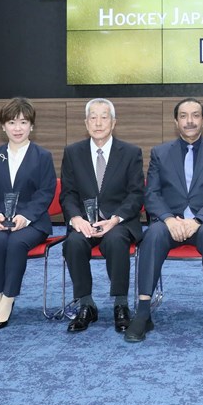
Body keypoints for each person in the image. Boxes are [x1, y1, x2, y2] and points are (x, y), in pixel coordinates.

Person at [125, 98, 203, 342]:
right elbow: (152, 194)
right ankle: (143, 312)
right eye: (183, 116)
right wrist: (168, 219)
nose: (190, 121)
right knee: (152, 235)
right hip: (170, 224)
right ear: (176, 122)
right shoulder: (160, 153)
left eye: (195, 115)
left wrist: (198, 220)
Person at [60, 98, 145, 333]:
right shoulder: (73, 152)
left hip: (118, 222)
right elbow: (68, 193)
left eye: (104, 117)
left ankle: (121, 304)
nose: (98, 123)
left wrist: (115, 219)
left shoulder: (130, 153)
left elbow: (136, 194)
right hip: (85, 222)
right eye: (93, 118)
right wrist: (76, 218)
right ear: (86, 123)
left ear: (113, 122)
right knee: (73, 243)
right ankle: (86, 305)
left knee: (116, 240)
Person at [0, 97, 57, 331]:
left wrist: (26, 216)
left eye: (23, 122)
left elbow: (46, 191)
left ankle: (8, 299)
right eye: (12, 122)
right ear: (3, 126)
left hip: (33, 223)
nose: (17, 128)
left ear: (32, 125)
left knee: (16, 243)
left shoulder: (42, 156)